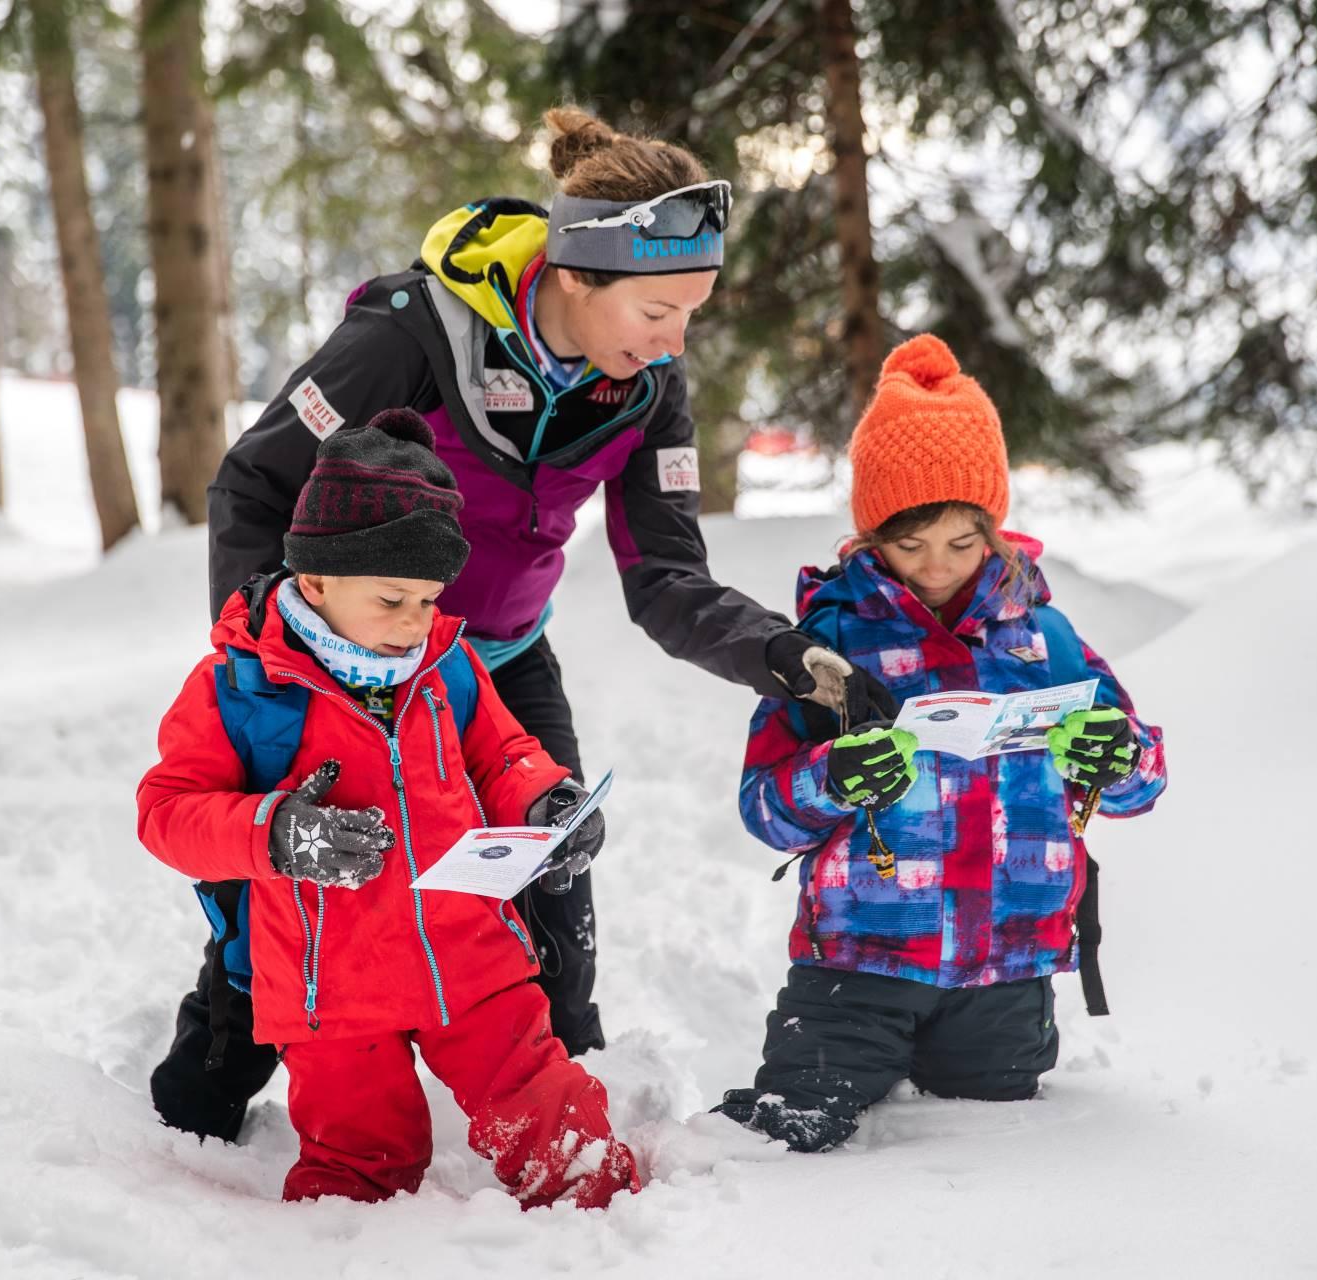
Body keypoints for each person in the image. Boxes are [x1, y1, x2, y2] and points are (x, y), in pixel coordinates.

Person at [151, 106, 859, 1141]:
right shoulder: (409, 334)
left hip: (499, 665)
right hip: (337, 669)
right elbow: (255, 483)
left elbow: (665, 577)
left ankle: (559, 1128)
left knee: (553, 888)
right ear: (575, 276)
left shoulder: (645, 388)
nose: (673, 343)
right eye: (658, 310)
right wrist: (272, 654)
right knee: (299, 899)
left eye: (690, 314)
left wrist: (785, 657)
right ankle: (195, 1113)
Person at [136, 409, 640, 1207]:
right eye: (393, 598)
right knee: (357, 1166)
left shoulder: (448, 663)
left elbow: (502, 753)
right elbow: (167, 812)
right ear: (317, 582)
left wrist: (549, 800)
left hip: (471, 955)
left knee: (553, 1118)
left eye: (430, 598)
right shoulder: (241, 686)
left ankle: (613, 1232)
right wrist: (277, 831)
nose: (415, 624)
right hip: (333, 988)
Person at [715, 334, 1169, 1153]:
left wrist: (1117, 755)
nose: (936, 568)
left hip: (1007, 972)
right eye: (908, 544)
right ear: (870, 536)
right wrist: (834, 777)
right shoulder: (831, 644)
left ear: (993, 528)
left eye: (962, 543)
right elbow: (765, 808)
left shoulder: (1045, 640)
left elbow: (1141, 780)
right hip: (860, 964)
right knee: (787, 1141)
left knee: (990, 1151)